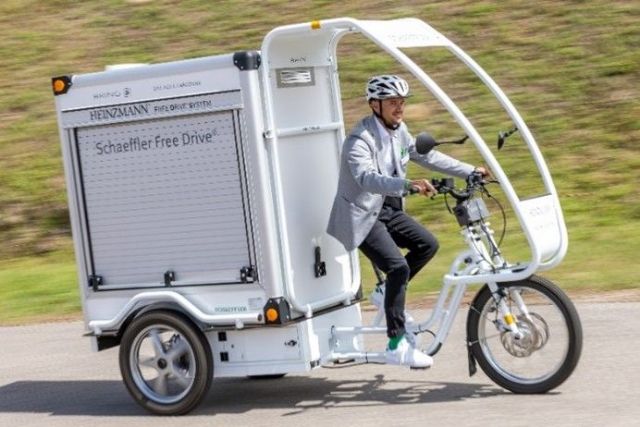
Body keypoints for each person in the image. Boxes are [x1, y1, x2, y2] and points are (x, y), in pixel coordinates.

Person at [327, 75, 487, 368]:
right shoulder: (359, 140)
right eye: (392, 103)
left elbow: (426, 156)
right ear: (375, 105)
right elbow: (367, 179)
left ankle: (383, 292)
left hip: (388, 210)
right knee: (398, 267)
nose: (399, 108)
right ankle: (396, 344)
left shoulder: (399, 131)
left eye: (402, 102)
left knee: (428, 244)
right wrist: (408, 185)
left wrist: (469, 170)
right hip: (362, 215)